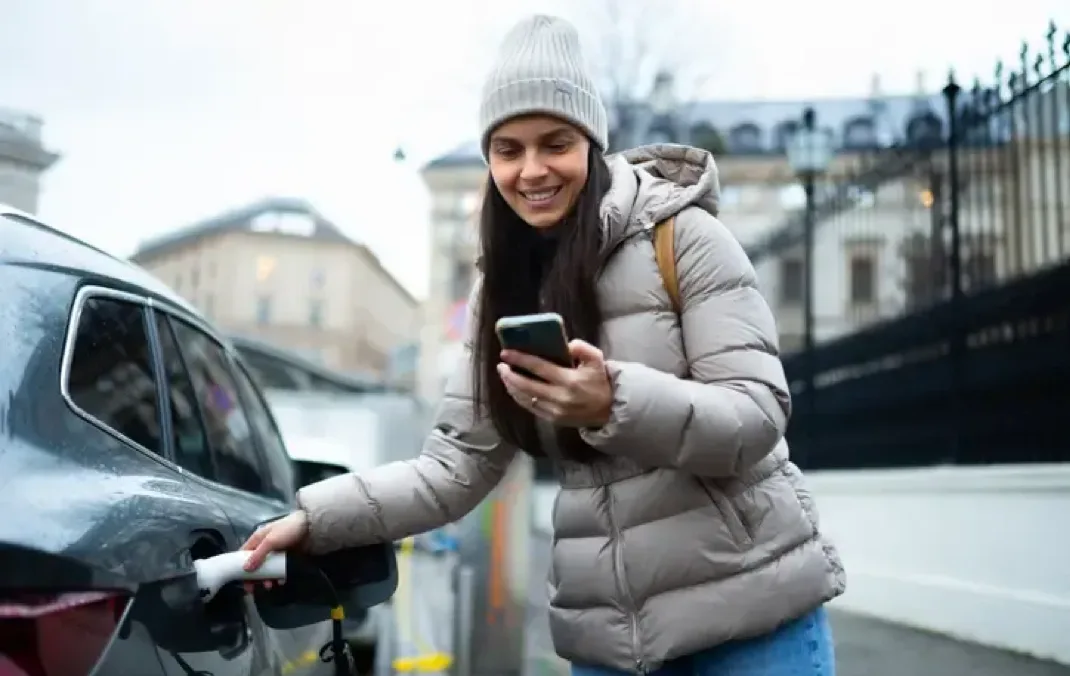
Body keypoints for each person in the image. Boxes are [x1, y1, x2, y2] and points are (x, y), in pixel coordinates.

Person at [242, 14, 845, 676]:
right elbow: (454, 468)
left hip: (752, 623)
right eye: (508, 149)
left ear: (590, 142)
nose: (532, 171)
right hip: (613, 645)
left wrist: (612, 401)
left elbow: (755, 417)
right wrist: (317, 519)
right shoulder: (497, 291)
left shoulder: (686, 239)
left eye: (554, 143)